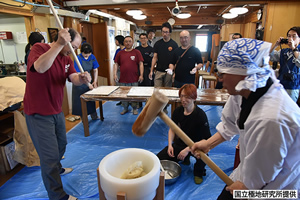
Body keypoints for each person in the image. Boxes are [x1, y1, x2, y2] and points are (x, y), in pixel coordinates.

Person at [191, 38, 300, 199]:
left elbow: (264, 172)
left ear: (243, 73)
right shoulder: (244, 89)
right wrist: (208, 144)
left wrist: (246, 187)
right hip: (252, 171)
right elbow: (229, 126)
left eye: (223, 73)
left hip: (277, 188)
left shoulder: (271, 118)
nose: (219, 79)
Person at [24, 28, 91, 200]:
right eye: (72, 46)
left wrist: (81, 78)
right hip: (38, 113)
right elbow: (39, 67)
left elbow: (73, 77)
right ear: (64, 39)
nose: (73, 50)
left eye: (75, 48)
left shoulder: (67, 58)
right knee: (49, 158)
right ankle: (58, 196)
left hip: (56, 110)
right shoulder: (39, 49)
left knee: (62, 143)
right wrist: (59, 45)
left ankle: (58, 169)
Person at [157, 84, 211, 184]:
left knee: (203, 157)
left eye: (187, 97)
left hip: (197, 145)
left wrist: (189, 149)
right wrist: (169, 145)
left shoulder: (200, 115)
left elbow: (207, 139)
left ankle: (198, 172)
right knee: (158, 159)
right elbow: (172, 129)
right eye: (181, 96)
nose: (183, 100)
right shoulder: (178, 111)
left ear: (194, 98)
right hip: (181, 143)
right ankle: (185, 158)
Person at [149, 22, 178, 113]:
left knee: (167, 91)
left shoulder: (174, 44)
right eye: (163, 32)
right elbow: (154, 57)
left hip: (168, 72)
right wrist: (151, 70)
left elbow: (176, 60)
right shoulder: (157, 44)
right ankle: (157, 108)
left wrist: (174, 72)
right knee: (157, 90)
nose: (164, 34)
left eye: (166, 32)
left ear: (170, 32)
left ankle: (164, 108)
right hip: (159, 71)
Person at [114, 36, 144, 115]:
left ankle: (134, 108)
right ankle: (125, 108)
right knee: (124, 95)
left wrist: (141, 75)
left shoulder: (137, 52)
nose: (128, 43)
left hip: (134, 78)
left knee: (134, 94)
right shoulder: (120, 53)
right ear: (124, 43)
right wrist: (115, 74)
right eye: (126, 41)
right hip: (123, 78)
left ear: (132, 42)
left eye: (129, 41)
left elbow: (141, 64)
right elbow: (116, 64)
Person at [269, 26, 300, 102]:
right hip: (280, 84)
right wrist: (276, 45)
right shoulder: (284, 51)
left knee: (288, 110)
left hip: (292, 86)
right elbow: (269, 56)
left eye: (294, 36)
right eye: (289, 36)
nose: (291, 38)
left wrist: (293, 48)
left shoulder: (298, 51)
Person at [72, 43, 99, 120]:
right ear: (81, 52)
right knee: (80, 102)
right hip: (80, 81)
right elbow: (78, 73)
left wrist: (95, 81)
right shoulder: (78, 58)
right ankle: (84, 120)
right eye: (85, 54)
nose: (87, 56)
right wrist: (88, 84)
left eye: (88, 54)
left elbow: (95, 70)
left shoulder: (92, 57)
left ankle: (94, 116)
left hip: (89, 79)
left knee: (90, 100)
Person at [114, 35, 125, 106]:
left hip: (125, 70)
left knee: (126, 86)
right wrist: (114, 73)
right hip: (119, 70)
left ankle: (128, 101)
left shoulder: (126, 50)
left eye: (116, 40)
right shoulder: (117, 51)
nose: (115, 42)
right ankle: (122, 100)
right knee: (119, 85)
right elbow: (115, 62)